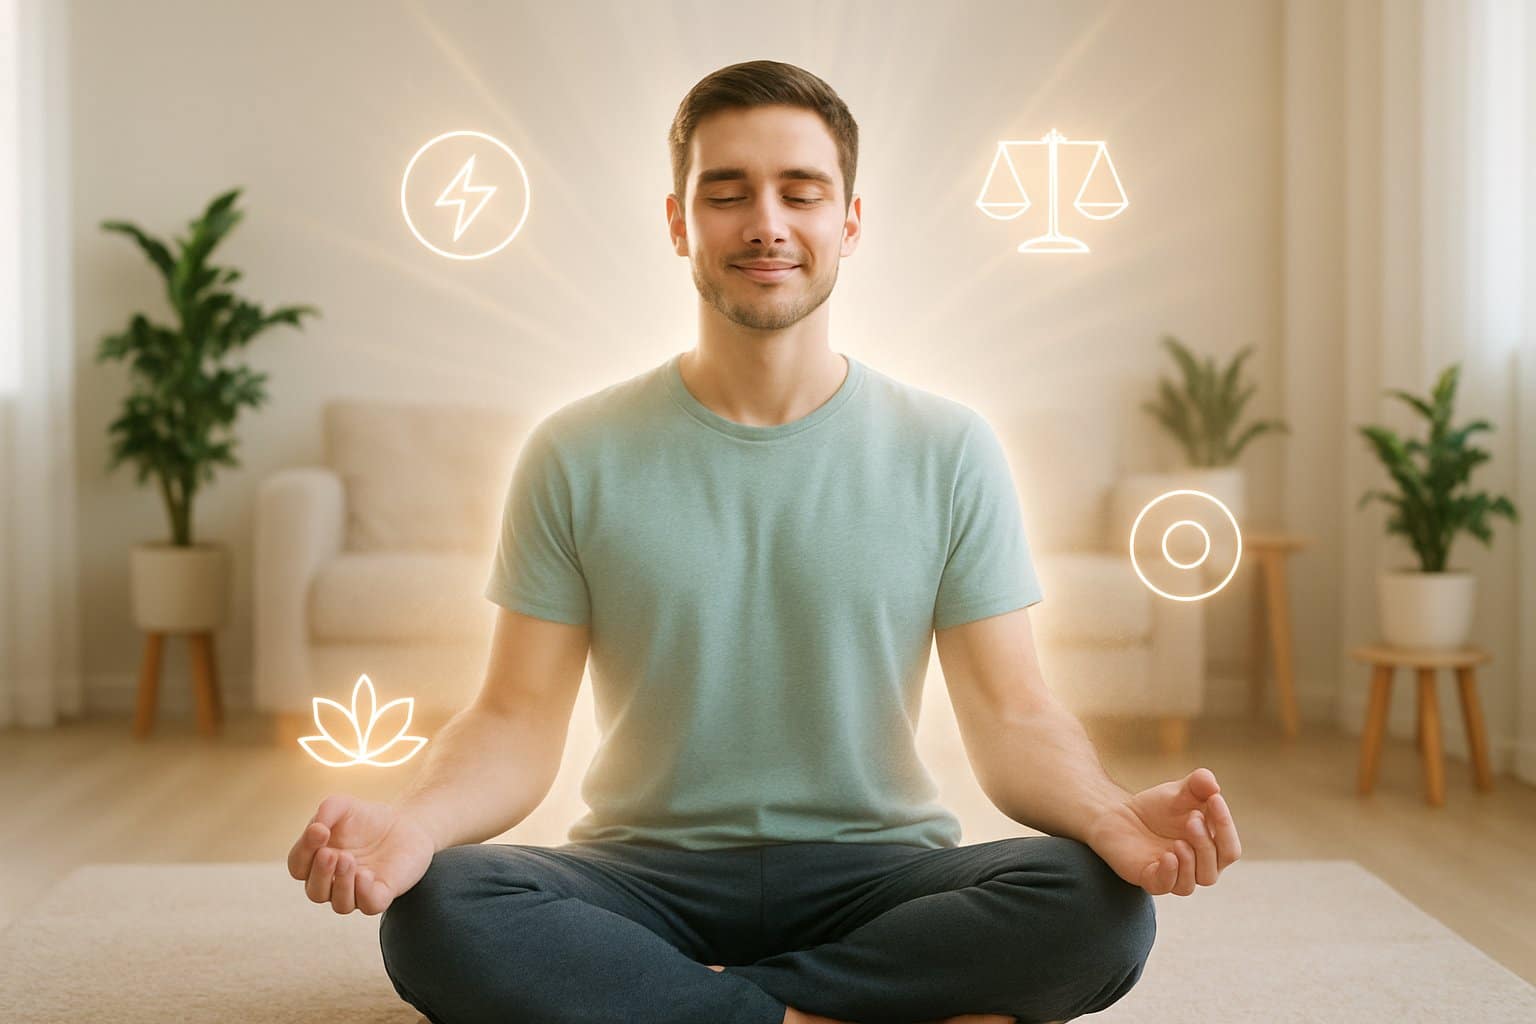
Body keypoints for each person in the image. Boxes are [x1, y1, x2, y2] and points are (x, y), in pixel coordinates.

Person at [287, 59, 1241, 1024]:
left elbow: (1014, 714)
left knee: (1098, 906)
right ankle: (833, 1009)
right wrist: (414, 824)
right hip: (644, 875)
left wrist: (1108, 813)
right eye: (728, 192)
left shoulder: (949, 448)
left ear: (850, 223)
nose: (766, 223)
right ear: (679, 222)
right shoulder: (574, 451)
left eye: (801, 191)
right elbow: (513, 718)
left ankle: (693, 1008)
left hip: (877, 875)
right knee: (441, 908)